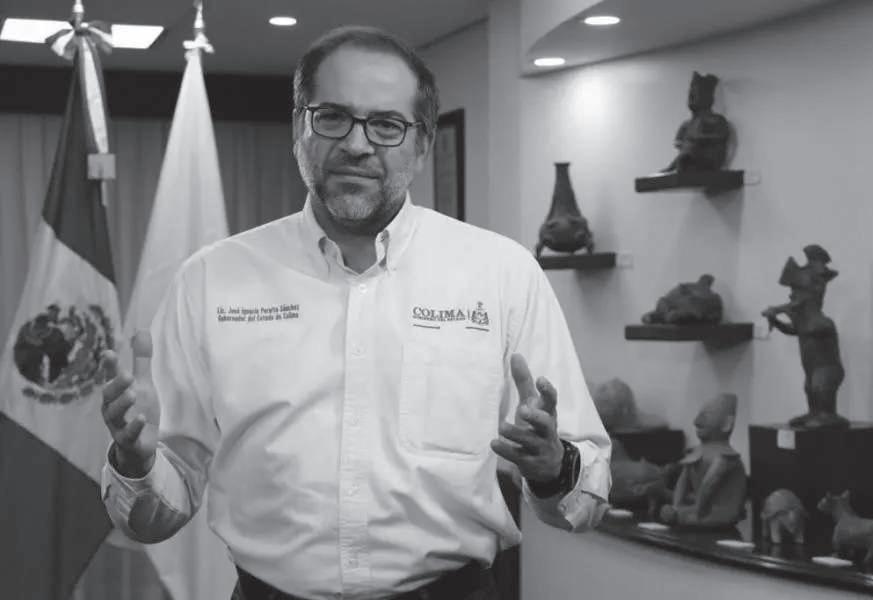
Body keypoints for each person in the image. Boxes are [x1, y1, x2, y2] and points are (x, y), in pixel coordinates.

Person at [100, 25, 611, 600]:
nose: (357, 144)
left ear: (422, 146)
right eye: (332, 117)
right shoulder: (210, 280)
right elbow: (152, 518)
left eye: (387, 125)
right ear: (299, 129)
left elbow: (585, 498)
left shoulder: (502, 274)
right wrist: (137, 462)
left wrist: (553, 466)